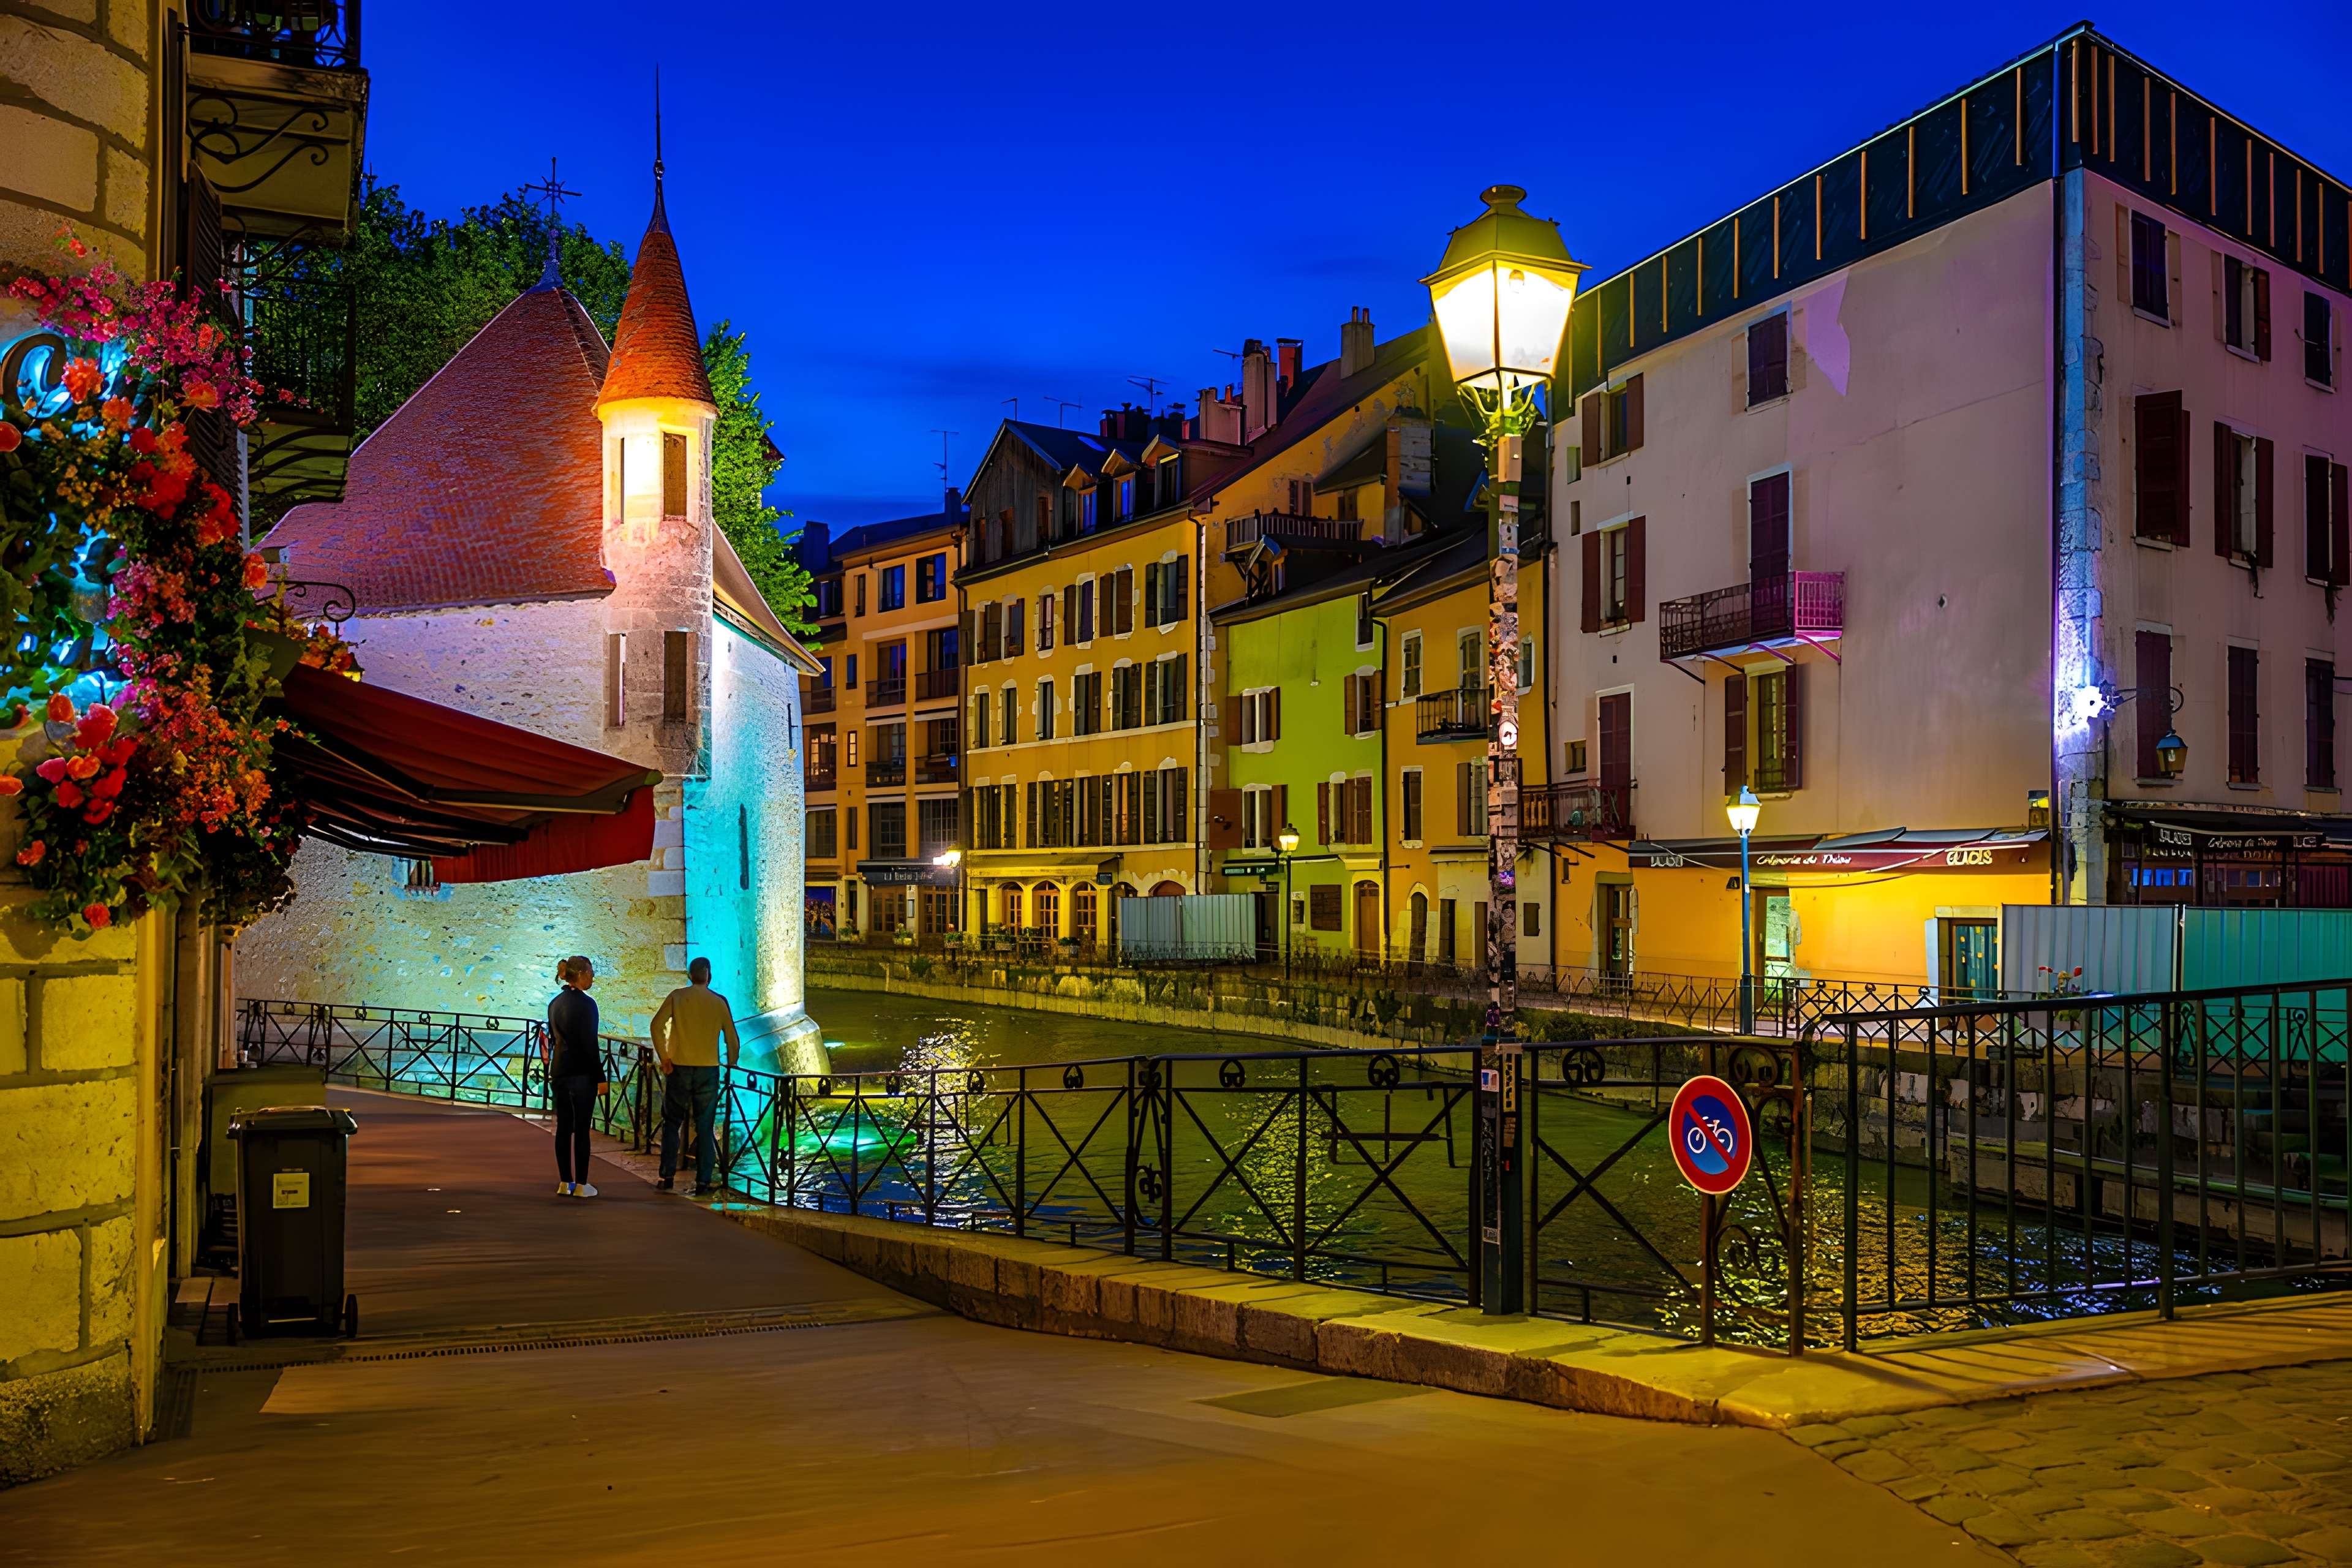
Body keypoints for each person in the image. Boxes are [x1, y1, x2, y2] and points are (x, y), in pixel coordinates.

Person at [649, 956, 740, 1196]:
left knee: (672, 1123)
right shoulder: (719, 1003)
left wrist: (664, 1057)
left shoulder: (677, 997)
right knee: (705, 1126)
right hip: (708, 1070)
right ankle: (703, 1181)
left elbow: (656, 1026)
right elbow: (732, 1039)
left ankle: (666, 1176)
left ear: (690, 975)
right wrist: (731, 1063)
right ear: (708, 975)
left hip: (679, 1067)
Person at [544, 955, 608, 1198]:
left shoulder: (554, 1003)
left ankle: (564, 1182)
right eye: (591, 973)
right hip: (582, 1073)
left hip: (560, 1070)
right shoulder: (588, 1004)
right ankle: (582, 1183)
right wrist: (600, 1077)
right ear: (580, 974)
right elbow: (590, 1043)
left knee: (563, 1128)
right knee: (582, 1129)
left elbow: (554, 1038)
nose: (593, 977)